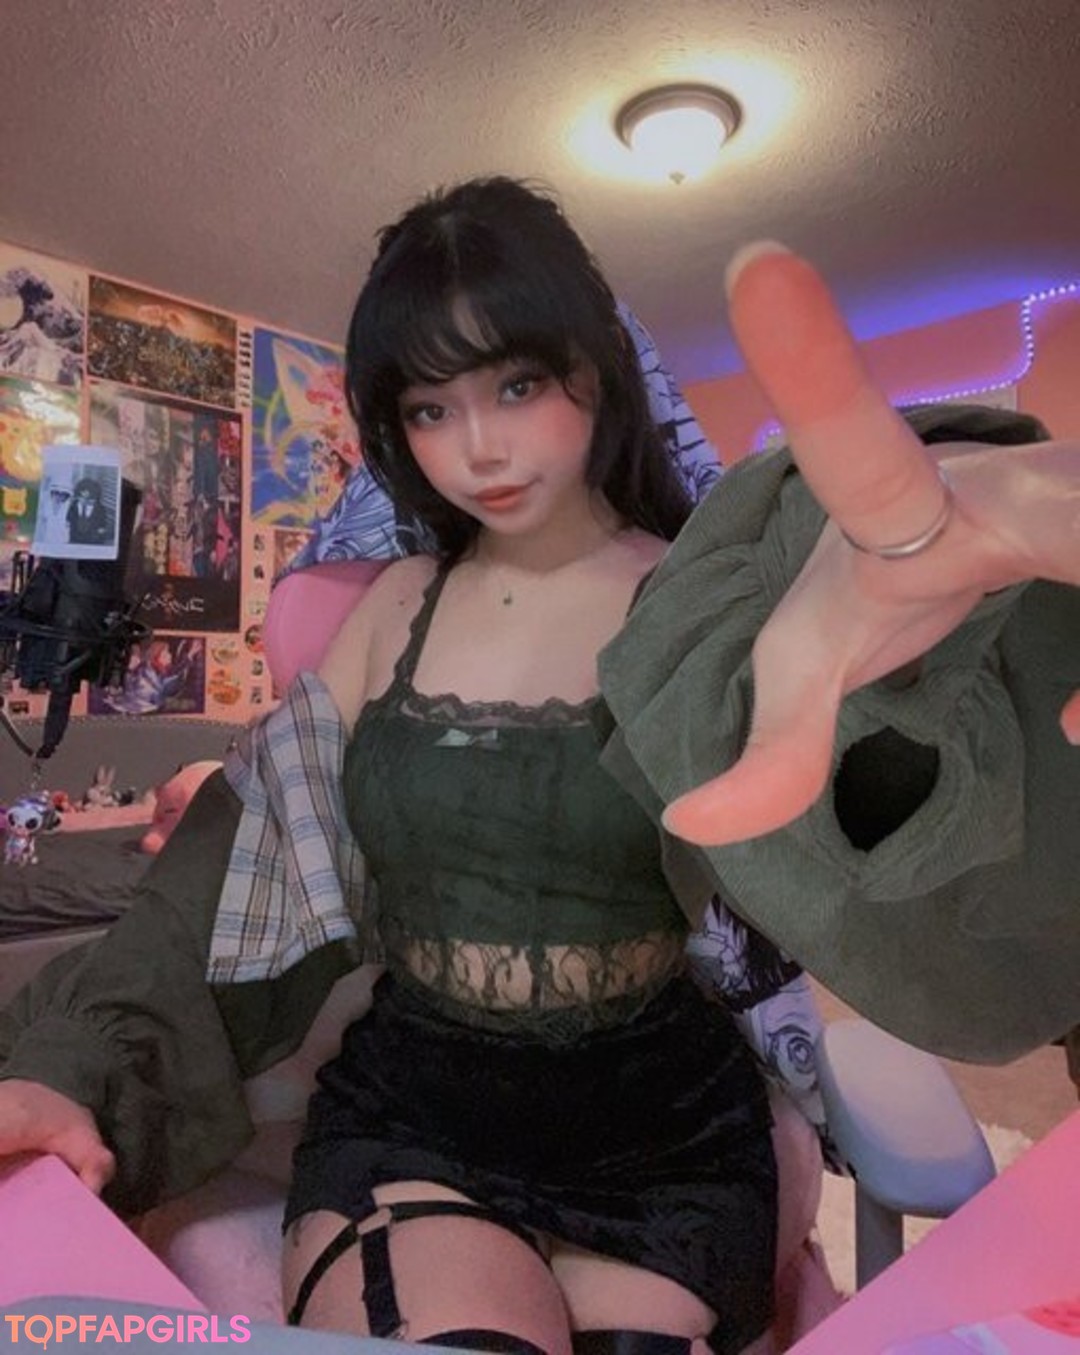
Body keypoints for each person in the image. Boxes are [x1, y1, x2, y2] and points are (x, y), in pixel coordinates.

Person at [0, 178, 1077, 1355]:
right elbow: (231, 863)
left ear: (593, 372)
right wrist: (75, 1064)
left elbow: (884, 842)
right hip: (418, 1117)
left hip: (665, 1129)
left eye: (516, 384)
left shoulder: (702, 603)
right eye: (431, 407)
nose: (480, 448)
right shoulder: (392, 609)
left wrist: (951, 652)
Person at [65, 475, 111, 546]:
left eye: (90, 500)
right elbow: (68, 521)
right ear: (78, 495)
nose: (85, 502)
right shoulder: (73, 506)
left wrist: (100, 533)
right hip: (74, 540)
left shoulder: (100, 509)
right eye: (82, 498)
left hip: (93, 542)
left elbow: (103, 526)